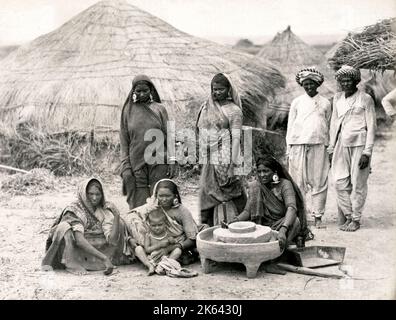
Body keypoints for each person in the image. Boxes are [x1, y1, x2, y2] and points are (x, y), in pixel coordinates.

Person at [42, 178, 135, 275]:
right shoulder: (74, 209)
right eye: (91, 194)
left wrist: (116, 216)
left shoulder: (102, 210)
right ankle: (71, 262)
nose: (94, 198)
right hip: (71, 244)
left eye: (98, 194)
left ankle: (95, 262)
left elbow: (112, 241)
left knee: (120, 223)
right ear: (84, 194)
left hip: (90, 245)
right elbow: (79, 240)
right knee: (64, 227)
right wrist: (104, 258)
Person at [327, 65, 376, 232]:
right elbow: (334, 124)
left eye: (349, 80)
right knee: (339, 182)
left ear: (356, 81)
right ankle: (348, 215)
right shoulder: (337, 98)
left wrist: (367, 152)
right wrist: (331, 147)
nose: (345, 83)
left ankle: (355, 219)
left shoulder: (365, 99)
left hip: (359, 144)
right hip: (341, 144)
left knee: (358, 184)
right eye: (342, 80)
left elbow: (372, 126)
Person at [196, 73, 246, 226]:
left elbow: (236, 137)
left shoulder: (234, 111)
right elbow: (200, 131)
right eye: (214, 89)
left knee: (232, 189)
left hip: (225, 154)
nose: (217, 92)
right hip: (209, 155)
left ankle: (245, 220)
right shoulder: (206, 106)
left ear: (228, 90)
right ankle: (207, 226)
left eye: (221, 89)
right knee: (206, 192)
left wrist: (233, 163)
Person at [120, 74, 177, 210]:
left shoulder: (160, 109)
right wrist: (125, 166)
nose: (142, 94)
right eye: (138, 91)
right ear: (133, 91)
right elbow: (124, 140)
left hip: (158, 161)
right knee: (140, 204)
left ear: (151, 90)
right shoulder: (128, 111)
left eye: (145, 90)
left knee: (160, 200)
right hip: (137, 162)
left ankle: (162, 229)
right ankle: (140, 230)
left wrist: (172, 160)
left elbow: (169, 135)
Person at [231, 155, 309, 251]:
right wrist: (235, 221)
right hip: (262, 226)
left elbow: (291, 208)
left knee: (295, 222)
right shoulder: (256, 186)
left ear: (274, 171)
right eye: (259, 172)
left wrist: (283, 229)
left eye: (266, 171)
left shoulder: (284, 185)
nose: (262, 175)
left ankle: (281, 249)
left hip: (281, 224)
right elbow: (247, 211)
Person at [127, 179, 207, 271]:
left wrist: (168, 249)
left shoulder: (181, 211)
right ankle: (152, 263)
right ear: (156, 195)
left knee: (202, 232)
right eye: (160, 196)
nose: (164, 199)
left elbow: (192, 239)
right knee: (136, 240)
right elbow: (132, 215)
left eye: (168, 196)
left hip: (174, 244)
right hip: (154, 244)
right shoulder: (152, 208)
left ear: (175, 196)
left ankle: (164, 263)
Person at [287, 67, 331, 228]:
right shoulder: (297, 102)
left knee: (319, 181)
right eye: (306, 84)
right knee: (298, 182)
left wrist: (329, 147)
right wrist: (288, 147)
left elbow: (329, 125)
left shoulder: (325, 102)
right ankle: (301, 216)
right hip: (298, 145)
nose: (309, 87)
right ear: (302, 85)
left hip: (319, 145)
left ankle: (318, 216)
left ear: (317, 84)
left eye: (312, 83)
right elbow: (290, 126)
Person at [143, 209, 182, 275]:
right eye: (153, 225)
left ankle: (163, 265)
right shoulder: (148, 235)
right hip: (152, 258)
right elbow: (147, 250)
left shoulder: (167, 233)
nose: (157, 228)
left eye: (160, 225)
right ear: (149, 224)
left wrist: (172, 241)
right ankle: (150, 266)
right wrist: (160, 244)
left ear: (165, 224)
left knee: (178, 250)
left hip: (165, 258)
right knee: (138, 249)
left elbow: (174, 244)